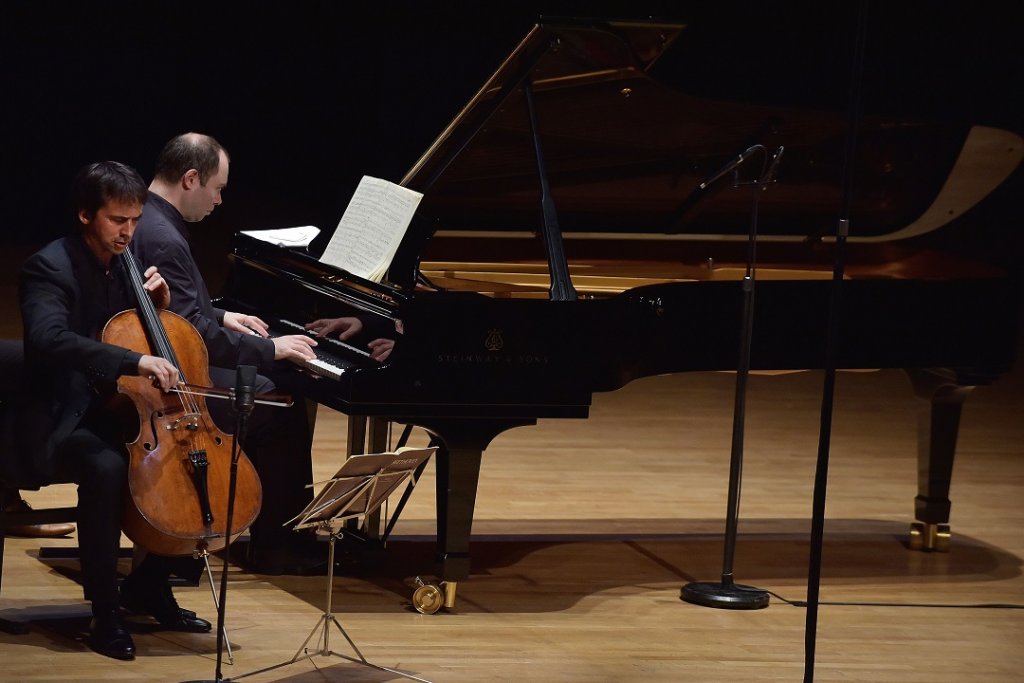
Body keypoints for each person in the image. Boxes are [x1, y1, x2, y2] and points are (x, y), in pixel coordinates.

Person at [131, 132, 363, 574]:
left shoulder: (150, 217)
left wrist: (223, 317)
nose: (219, 201)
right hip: (175, 379)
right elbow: (194, 337)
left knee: (273, 386)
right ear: (191, 178)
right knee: (279, 402)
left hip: (170, 358)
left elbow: (183, 313)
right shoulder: (164, 235)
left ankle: (262, 531)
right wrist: (272, 347)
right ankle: (277, 545)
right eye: (217, 189)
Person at [15, 161, 212, 660]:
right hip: (58, 414)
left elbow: (126, 327)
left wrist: (159, 306)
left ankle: (152, 584)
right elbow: (49, 339)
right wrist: (137, 359)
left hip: (113, 407)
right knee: (107, 468)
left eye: (135, 220)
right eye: (116, 220)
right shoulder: (48, 267)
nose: (128, 232)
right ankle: (106, 614)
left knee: (183, 458)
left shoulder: (122, 265)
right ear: (86, 215)